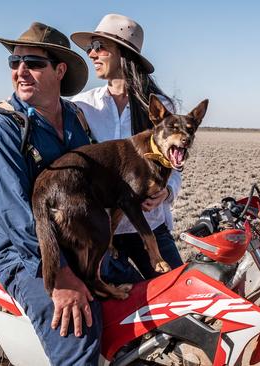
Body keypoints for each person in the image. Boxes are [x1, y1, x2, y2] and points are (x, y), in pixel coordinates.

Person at [0, 22, 100, 365]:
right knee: (79, 334)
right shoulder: (0, 128)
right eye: (14, 63)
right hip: (27, 256)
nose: (21, 71)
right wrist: (58, 275)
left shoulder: (76, 118)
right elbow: (17, 216)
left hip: (78, 245)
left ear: (59, 71)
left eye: (33, 63)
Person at [70, 14, 183, 285]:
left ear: (124, 53)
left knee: (183, 300)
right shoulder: (82, 106)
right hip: (100, 233)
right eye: (90, 48)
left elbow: (176, 166)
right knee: (119, 314)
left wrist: (166, 193)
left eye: (99, 46)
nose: (92, 54)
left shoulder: (160, 107)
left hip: (149, 227)